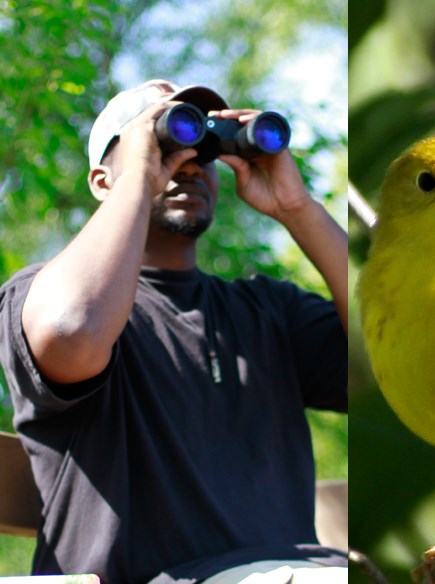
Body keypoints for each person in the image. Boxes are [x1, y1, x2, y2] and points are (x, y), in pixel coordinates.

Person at [0, 79, 349, 583]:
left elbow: (392, 362)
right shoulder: (42, 293)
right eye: (164, 143)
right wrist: (139, 179)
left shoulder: (270, 312)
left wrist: (300, 211)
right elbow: (72, 331)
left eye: (203, 149)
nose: (187, 162)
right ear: (102, 181)